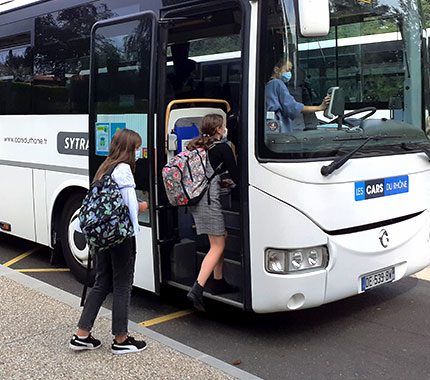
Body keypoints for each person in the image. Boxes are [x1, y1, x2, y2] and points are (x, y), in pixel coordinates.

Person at [69, 129, 148, 355]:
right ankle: (121, 340)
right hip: (119, 235)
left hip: (100, 236)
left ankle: (81, 334)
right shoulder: (123, 169)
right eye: (136, 148)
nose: (138, 152)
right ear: (128, 148)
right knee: (123, 284)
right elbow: (131, 206)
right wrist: (141, 210)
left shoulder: (105, 166)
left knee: (102, 282)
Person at [186, 114, 239, 312]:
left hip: (198, 199)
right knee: (218, 245)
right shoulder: (222, 147)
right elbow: (236, 174)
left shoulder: (198, 146)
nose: (225, 129)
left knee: (219, 238)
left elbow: (209, 173)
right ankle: (197, 289)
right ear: (218, 129)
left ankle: (218, 281)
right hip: (209, 202)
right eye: (223, 126)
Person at [265, 58, 330, 133]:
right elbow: (292, 107)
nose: (289, 74)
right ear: (276, 70)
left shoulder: (269, 85)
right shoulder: (277, 83)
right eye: (287, 70)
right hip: (278, 125)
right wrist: (319, 107)